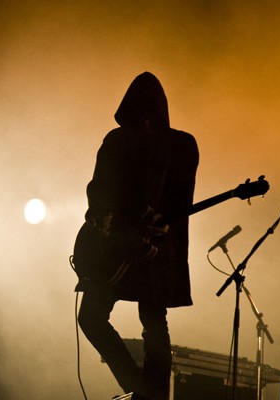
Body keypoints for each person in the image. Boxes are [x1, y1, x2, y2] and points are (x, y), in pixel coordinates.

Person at [74, 72, 199, 400]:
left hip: (151, 248)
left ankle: (149, 393)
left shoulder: (180, 145)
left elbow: (180, 199)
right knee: (104, 318)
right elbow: (99, 190)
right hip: (117, 248)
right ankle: (142, 389)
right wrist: (104, 224)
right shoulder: (116, 140)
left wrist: (161, 224)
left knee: (150, 319)